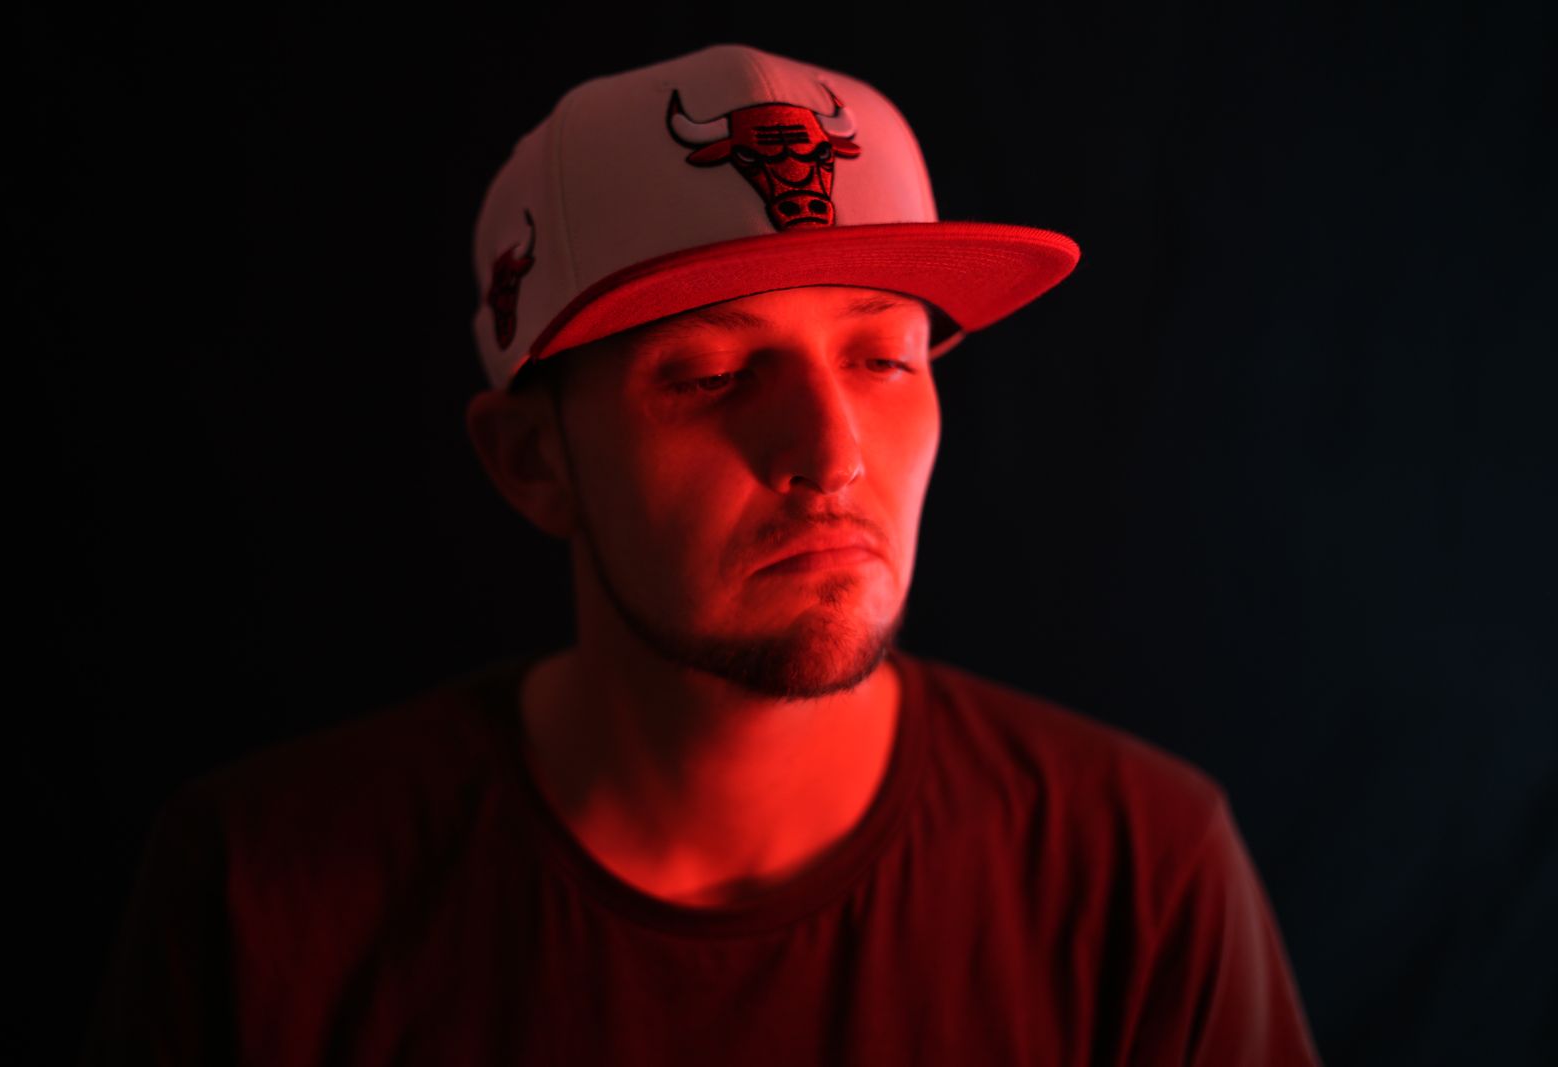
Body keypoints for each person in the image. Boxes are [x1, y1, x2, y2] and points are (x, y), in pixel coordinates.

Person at [83, 43, 1322, 1065]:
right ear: (532, 459)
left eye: (882, 358)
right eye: (715, 373)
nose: (830, 454)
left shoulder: (1140, 872)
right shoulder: (261, 894)